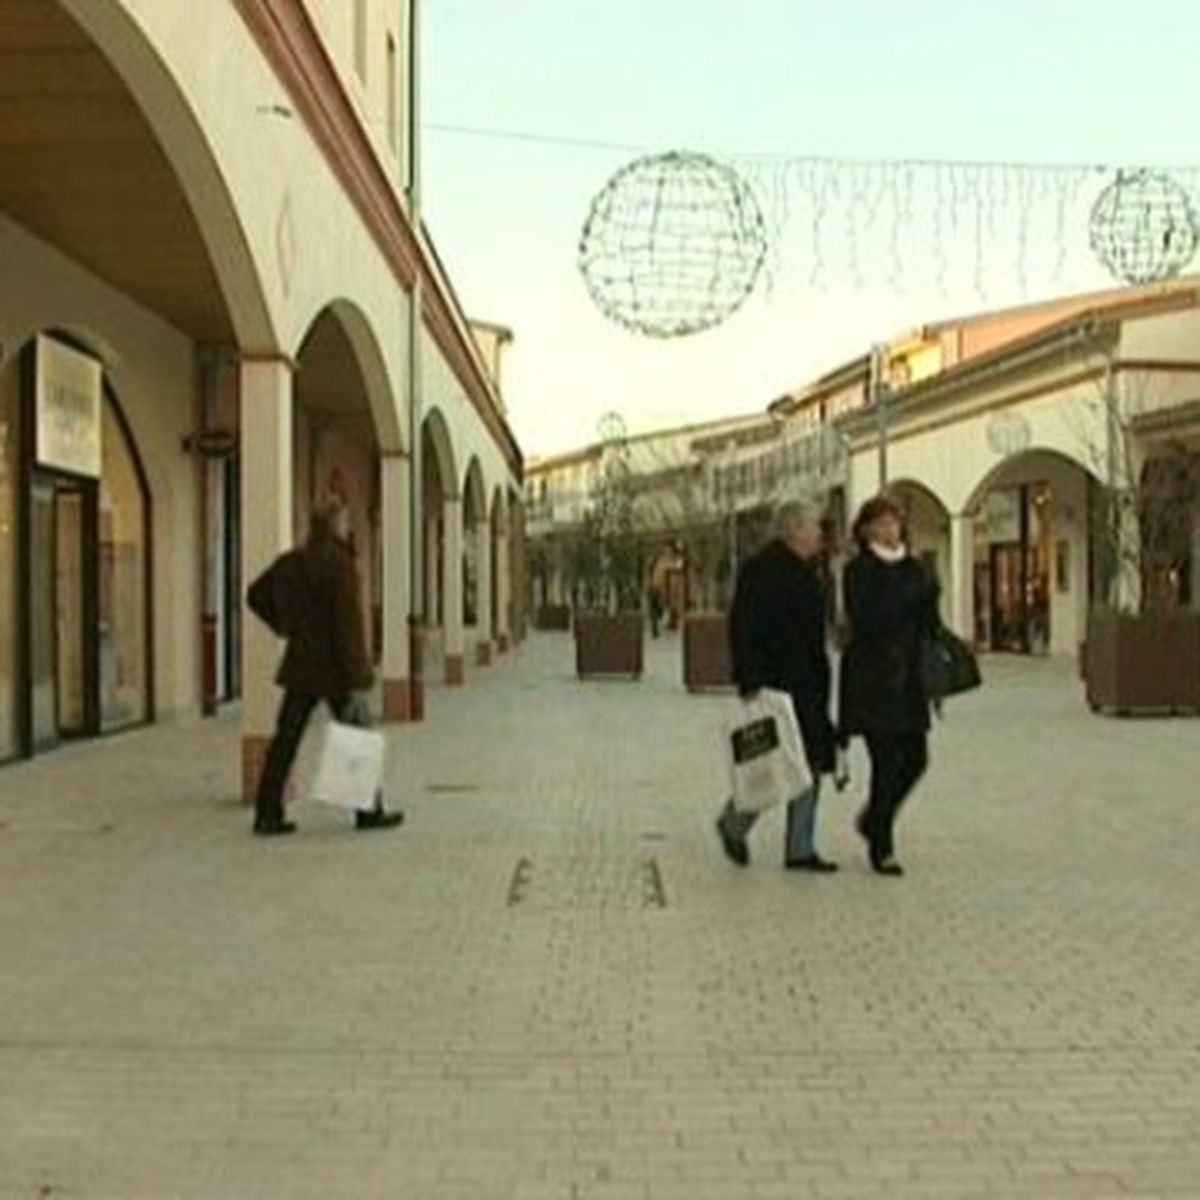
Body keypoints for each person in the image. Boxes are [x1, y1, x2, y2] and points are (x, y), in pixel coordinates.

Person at [246, 501, 405, 838]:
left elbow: (255, 594)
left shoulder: (292, 562)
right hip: (335, 670)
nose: (348, 526)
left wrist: (284, 625)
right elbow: (348, 627)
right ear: (336, 525)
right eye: (345, 520)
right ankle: (367, 812)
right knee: (356, 738)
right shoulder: (340, 566)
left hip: (301, 665)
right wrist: (359, 674)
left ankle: (267, 812)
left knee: (286, 740)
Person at [715, 498, 840, 872]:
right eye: (815, 527)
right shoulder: (763, 571)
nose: (820, 534)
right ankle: (733, 823)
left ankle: (800, 847)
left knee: (810, 762)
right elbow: (743, 627)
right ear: (795, 530)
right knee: (772, 763)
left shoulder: (809, 570)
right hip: (774, 683)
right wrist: (749, 679)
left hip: (807, 684)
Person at [838, 494, 939, 877]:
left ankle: (873, 819)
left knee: (916, 760)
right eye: (880, 523)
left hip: (910, 680)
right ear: (865, 530)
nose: (889, 529)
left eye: (894, 522)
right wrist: (906, 594)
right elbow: (868, 617)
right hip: (873, 679)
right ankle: (883, 847)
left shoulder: (916, 569)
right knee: (886, 761)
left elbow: (929, 622)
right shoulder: (858, 570)